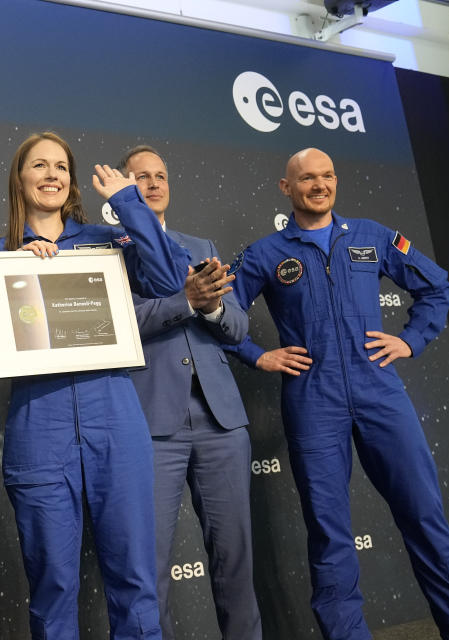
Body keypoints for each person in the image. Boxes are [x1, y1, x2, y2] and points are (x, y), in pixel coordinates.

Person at [0, 132, 191, 640]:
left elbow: (171, 280)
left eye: (61, 167)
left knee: (134, 581)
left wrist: (128, 203)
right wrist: (15, 274)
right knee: (53, 585)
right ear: (19, 181)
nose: (51, 176)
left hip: (115, 420)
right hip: (39, 428)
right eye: (39, 166)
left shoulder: (106, 242)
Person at [227, 147, 449, 640]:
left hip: (380, 392)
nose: (320, 184)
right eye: (307, 178)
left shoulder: (373, 237)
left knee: (425, 519)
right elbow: (221, 315)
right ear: (286, 188)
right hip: (313, 400)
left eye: (328, 175)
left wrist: (411, 340)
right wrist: (257, 355)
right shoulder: (266, 253)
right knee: (331, 537)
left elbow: (437, 286)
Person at [119, 145, 261, 640]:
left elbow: (239, 325)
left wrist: (212, 308)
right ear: (122, 190)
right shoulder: (111, 251)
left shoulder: (199, 244)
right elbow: (117, 325)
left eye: (160, 175)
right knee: (148, 566)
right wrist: (185, 300)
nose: (154, 184)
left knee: (235, 558)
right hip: (153, 421)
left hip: (222, 420)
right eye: (141, 177)